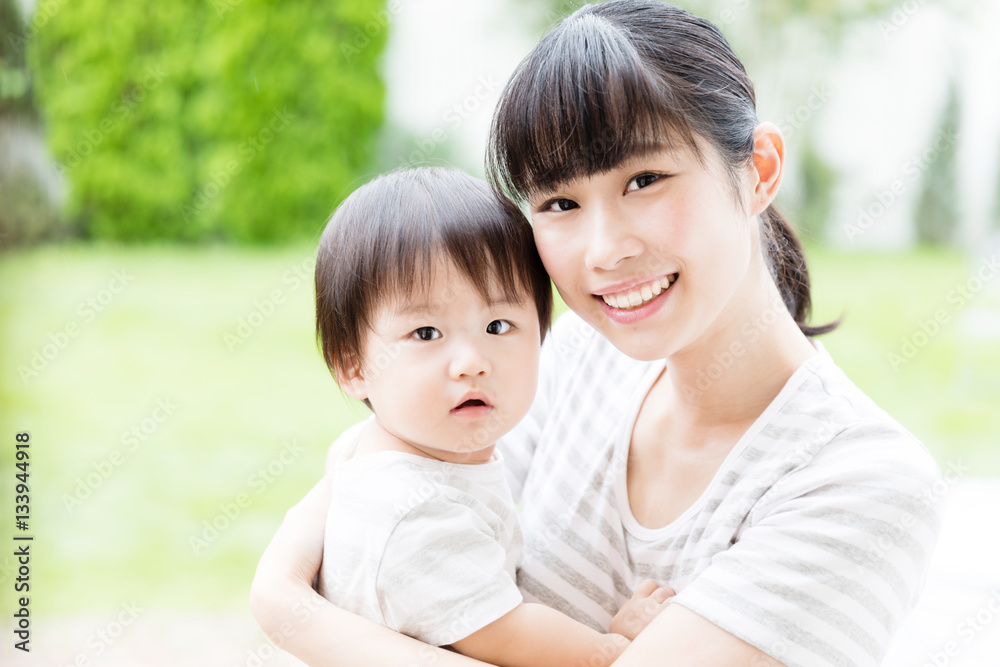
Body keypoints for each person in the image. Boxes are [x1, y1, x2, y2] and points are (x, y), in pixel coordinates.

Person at [250, 3, 942, 666]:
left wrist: (288, 611)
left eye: (645, 179)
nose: (605, 250)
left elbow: (313, 572)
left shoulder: (860, 480)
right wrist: (285, 600)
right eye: (560, 202)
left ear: (758, 169)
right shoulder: (573, 360)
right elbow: (371, 482)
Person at [306, 167, 672, 667]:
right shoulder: (415, 512)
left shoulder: (375, 448)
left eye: (498, 325)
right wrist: (616, 647)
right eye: (427, 334)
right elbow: (509, 633)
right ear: (353, 366)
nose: (472, 361)